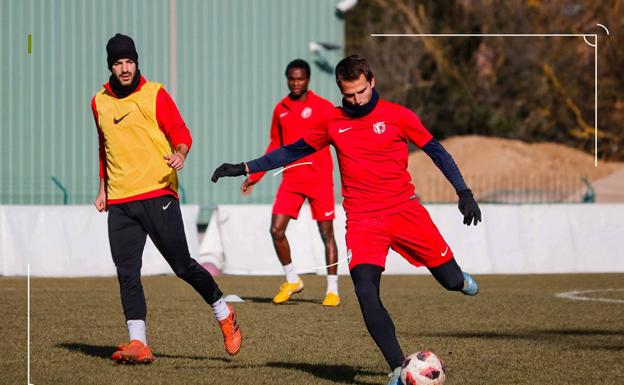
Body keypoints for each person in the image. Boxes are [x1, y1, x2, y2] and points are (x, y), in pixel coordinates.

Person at [211, 55, 481, 385]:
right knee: (366, 291)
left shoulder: (399, 116)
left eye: (361, 92)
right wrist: (246, 167)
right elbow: (291, 151)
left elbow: (436, 150)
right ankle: (397, 366)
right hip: (363, 221)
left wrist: (463, 191)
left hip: (405, 213)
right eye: (349, 95)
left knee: (451, 281)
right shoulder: (332, 122)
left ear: (373, 81)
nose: (356, 101)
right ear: (341, 88)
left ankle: (459, 280)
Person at [92, 34, 241, 364]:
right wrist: (103, 187)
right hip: (120, 201)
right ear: (110, 66)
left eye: (129, 61)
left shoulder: (154, 93)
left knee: (182, 265)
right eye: (118, 63)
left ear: (136, 61)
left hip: (158, 191)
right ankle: (138, 343)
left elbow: (181, 132)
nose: (125, 68)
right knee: (127, 272)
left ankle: (223, 311)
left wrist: (180, 152)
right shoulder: (98, 102)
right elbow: (104, 148)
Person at [241, 59, 340, 306]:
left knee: (326, 233)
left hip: (319, 179)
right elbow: (275, 145)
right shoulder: (280, 109)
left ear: (308, 80)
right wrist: (255, 176)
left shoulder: (325, 107)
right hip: (291, 179)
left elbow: (338, 139)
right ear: (287, 79)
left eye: (300, 78)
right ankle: (292, 278)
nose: (296, 83)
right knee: (276, 230)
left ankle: (333, 290)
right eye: (292, 79)